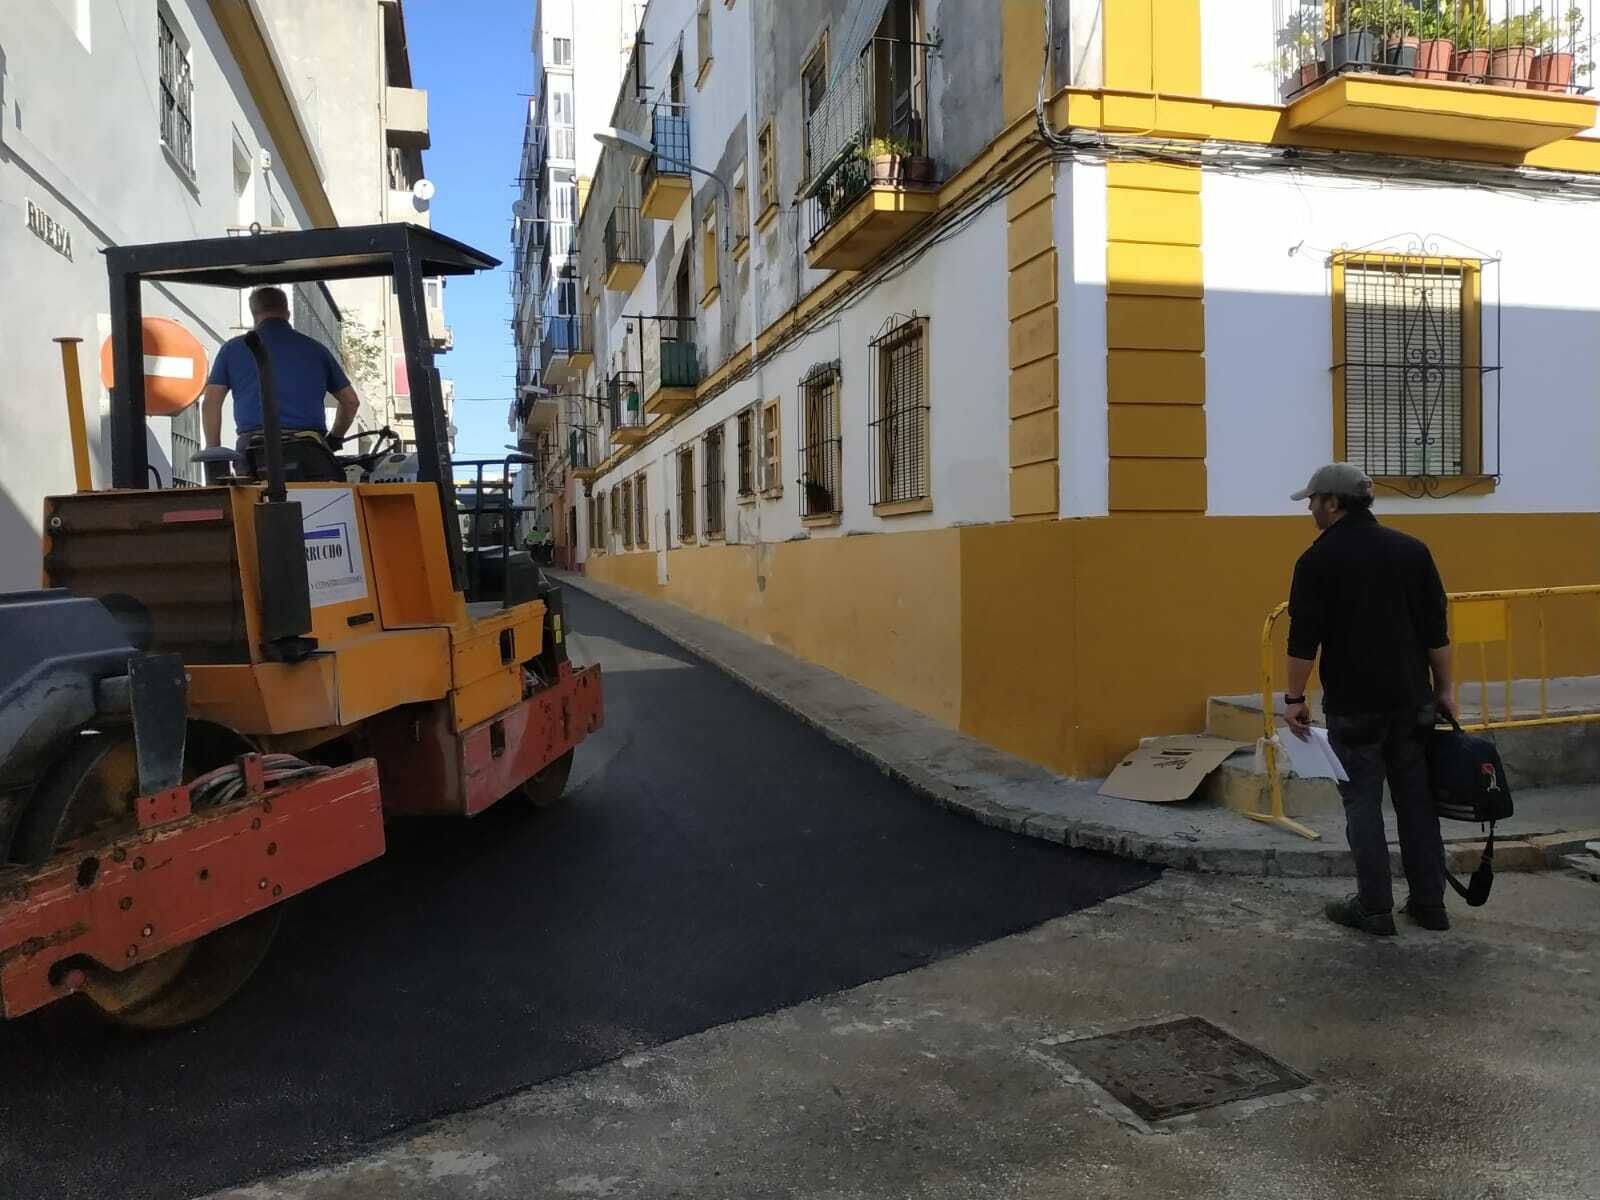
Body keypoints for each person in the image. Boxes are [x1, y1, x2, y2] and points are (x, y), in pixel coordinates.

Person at [1282, 463, 1456, 937]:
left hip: (1355, 707)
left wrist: (1294, 698)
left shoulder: (1316, 561)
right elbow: (1435, 632)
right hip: (1412, 702)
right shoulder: (1412, 551)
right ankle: (1429, 905)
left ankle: (1374, 908)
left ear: (1333, 503)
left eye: (1313, 501)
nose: (1310, 510)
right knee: (1416, 803)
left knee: (1362, 803)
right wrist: (1444, 691)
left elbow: (1303, 640)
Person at [201, 286, 360, 482]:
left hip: (253, 452)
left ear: (253, 313)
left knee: (253, 507)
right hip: (308, 448)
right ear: (287, 312)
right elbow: (351, 402)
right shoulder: (316, 350)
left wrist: (215, 458)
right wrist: (335, 438)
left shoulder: (232, 350)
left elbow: (211, 402)